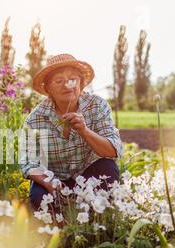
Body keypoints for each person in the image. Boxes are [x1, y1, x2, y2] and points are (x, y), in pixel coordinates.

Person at [20, 54, 123, 212]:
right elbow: (28, 162)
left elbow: (113, 150)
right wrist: (49, 182)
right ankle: (61, 231)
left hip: (90, 174)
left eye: (73, 79)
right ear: (48, 89)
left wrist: (84, 131)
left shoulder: (97, 106)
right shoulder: (35, 119)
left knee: (108, 168)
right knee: (39, 197)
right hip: (55, 179)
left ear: (81, 83)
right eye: (59, 81)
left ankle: (95, 222)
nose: (67, 85)